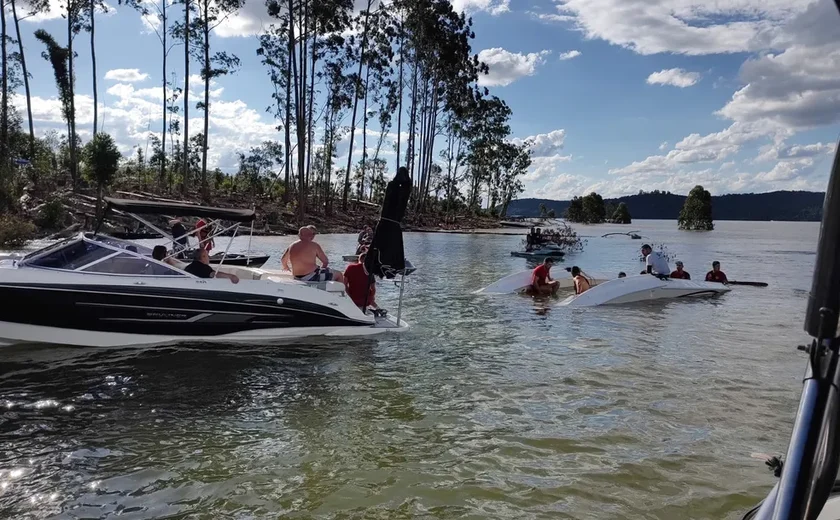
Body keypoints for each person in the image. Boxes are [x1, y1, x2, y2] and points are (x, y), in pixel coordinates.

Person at [281, 225, 345, 283]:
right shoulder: (314, 245)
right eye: (312, 234)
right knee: (339, 274)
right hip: (311, 277)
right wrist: (322, 270)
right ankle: (342, 295)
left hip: (296, 276)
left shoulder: (292, 245)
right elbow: (325, 261)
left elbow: (283, 260)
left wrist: (287, 267)